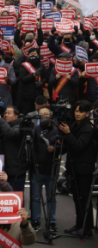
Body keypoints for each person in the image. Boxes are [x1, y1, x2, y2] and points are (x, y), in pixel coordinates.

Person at [59, 100, 98, 238]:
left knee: (83, 199)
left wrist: (68, 133)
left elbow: (78, 146)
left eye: (80, 111)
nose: (77, 114)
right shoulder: (75, 125)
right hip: (74, 167)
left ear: (87, 113)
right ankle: (79, 224)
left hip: (84, 169)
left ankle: (86, 229)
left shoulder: (88, 128)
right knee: (76, 198)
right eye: (76, 111)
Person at [30, 107, 58, 232]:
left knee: (51, 197)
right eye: (41, 115)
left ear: (51, 115)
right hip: (37, 168)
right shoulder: (35, 129)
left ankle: (51, 221)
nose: (44, 116)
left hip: (52, 168)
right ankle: (35, 220)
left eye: (46, 114)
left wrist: (55, 149)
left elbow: (65, 147)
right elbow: (30, 148)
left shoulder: (57, 130)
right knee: (35, 196)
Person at [0, 106, 27, 192]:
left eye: (9, 113)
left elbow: (10, 133)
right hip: (3, 168)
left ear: (16, 116)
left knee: (16, 196)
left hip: (16, 169)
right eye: (4, 113)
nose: (6, 115)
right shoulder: (1, 126)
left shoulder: (20, 126)